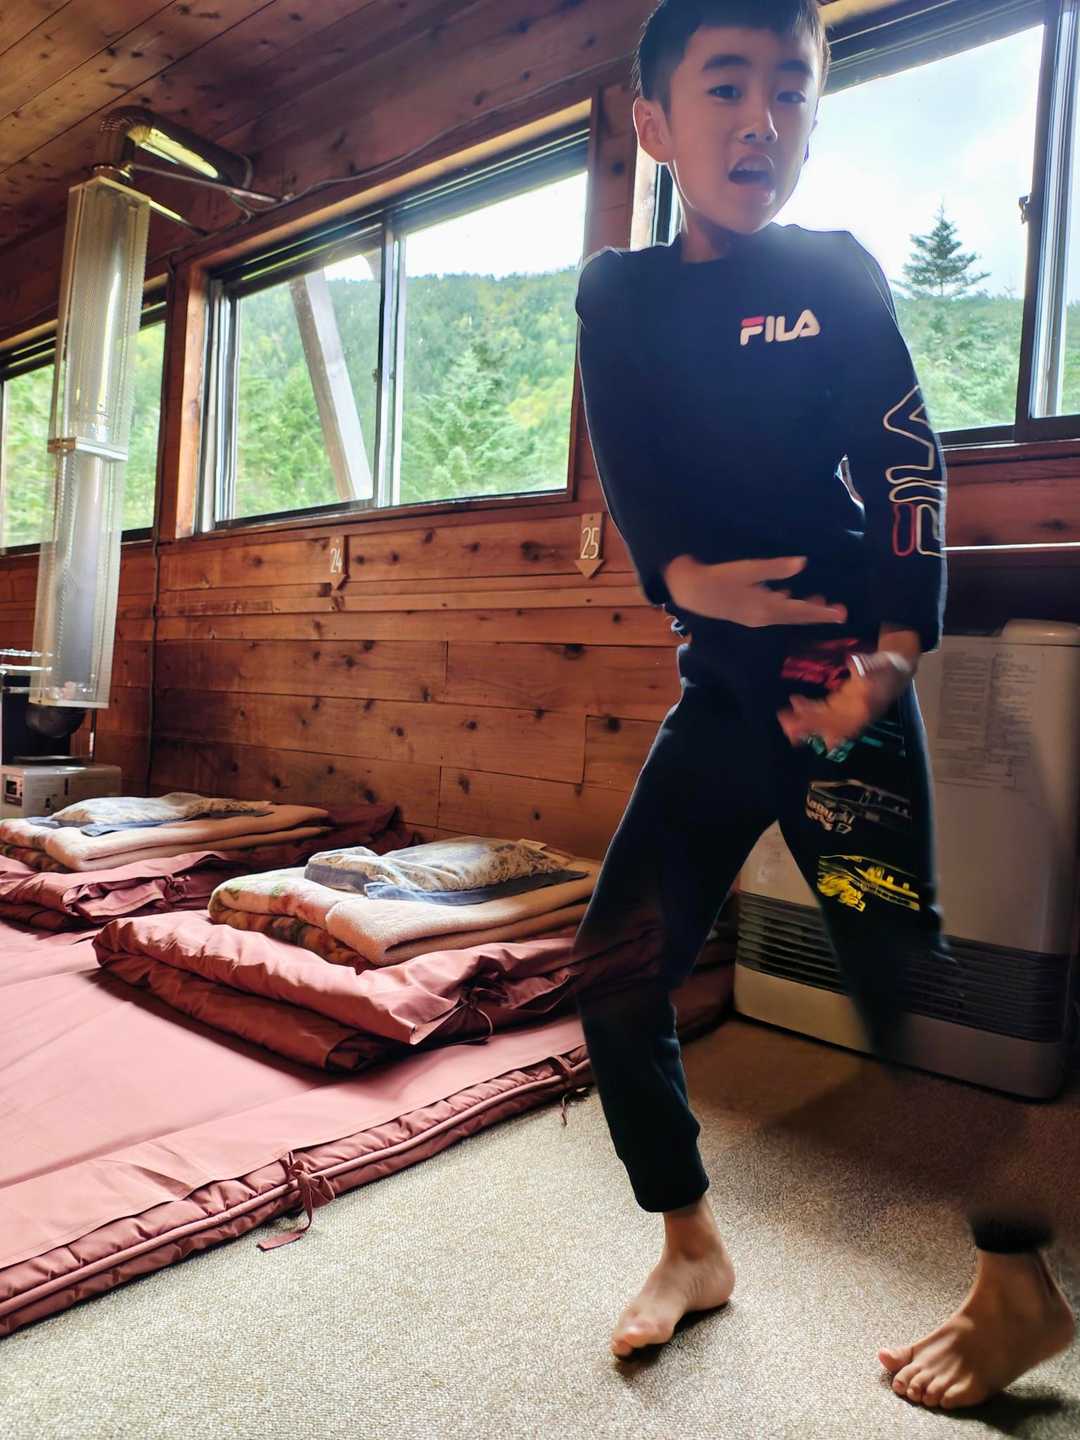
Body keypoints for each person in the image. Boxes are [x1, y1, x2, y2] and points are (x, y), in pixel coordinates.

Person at [569, 0, 1074, 1410]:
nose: (762, 120)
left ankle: (1018, 1284)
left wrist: (898, 657)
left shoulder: (836, 275)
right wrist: (681, 578)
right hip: (723, 702)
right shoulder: (619, 295)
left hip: (839, 687)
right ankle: (691, 1244)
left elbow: (908, 463)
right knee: (617, 968)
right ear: (656, 125)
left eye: (790, 90)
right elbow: (630, 461)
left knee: (894, 981)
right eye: (726, 87)